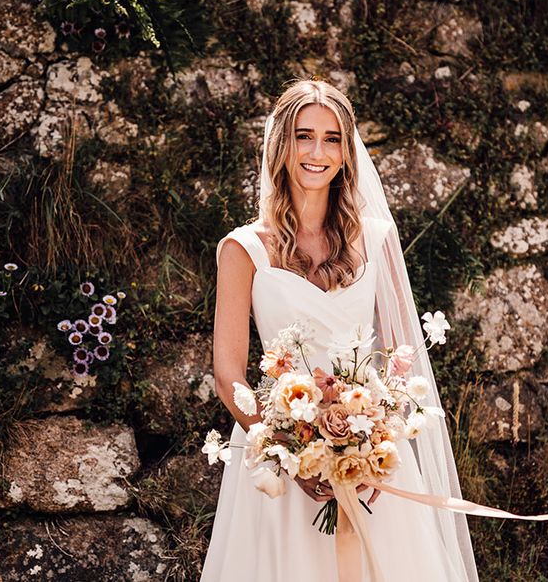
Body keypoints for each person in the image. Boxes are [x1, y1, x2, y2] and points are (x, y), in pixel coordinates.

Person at [200, 78, 479, 581]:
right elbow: (228, 376)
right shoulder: (243, 249)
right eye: (304, 136)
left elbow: (400, 358)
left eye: (332, 139)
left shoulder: (377, 239)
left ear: (348, 152)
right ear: (281, 144)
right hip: (278, 472)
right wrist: (289, 450)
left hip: (370, 462)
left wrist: (374, 442)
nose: (317, 152)